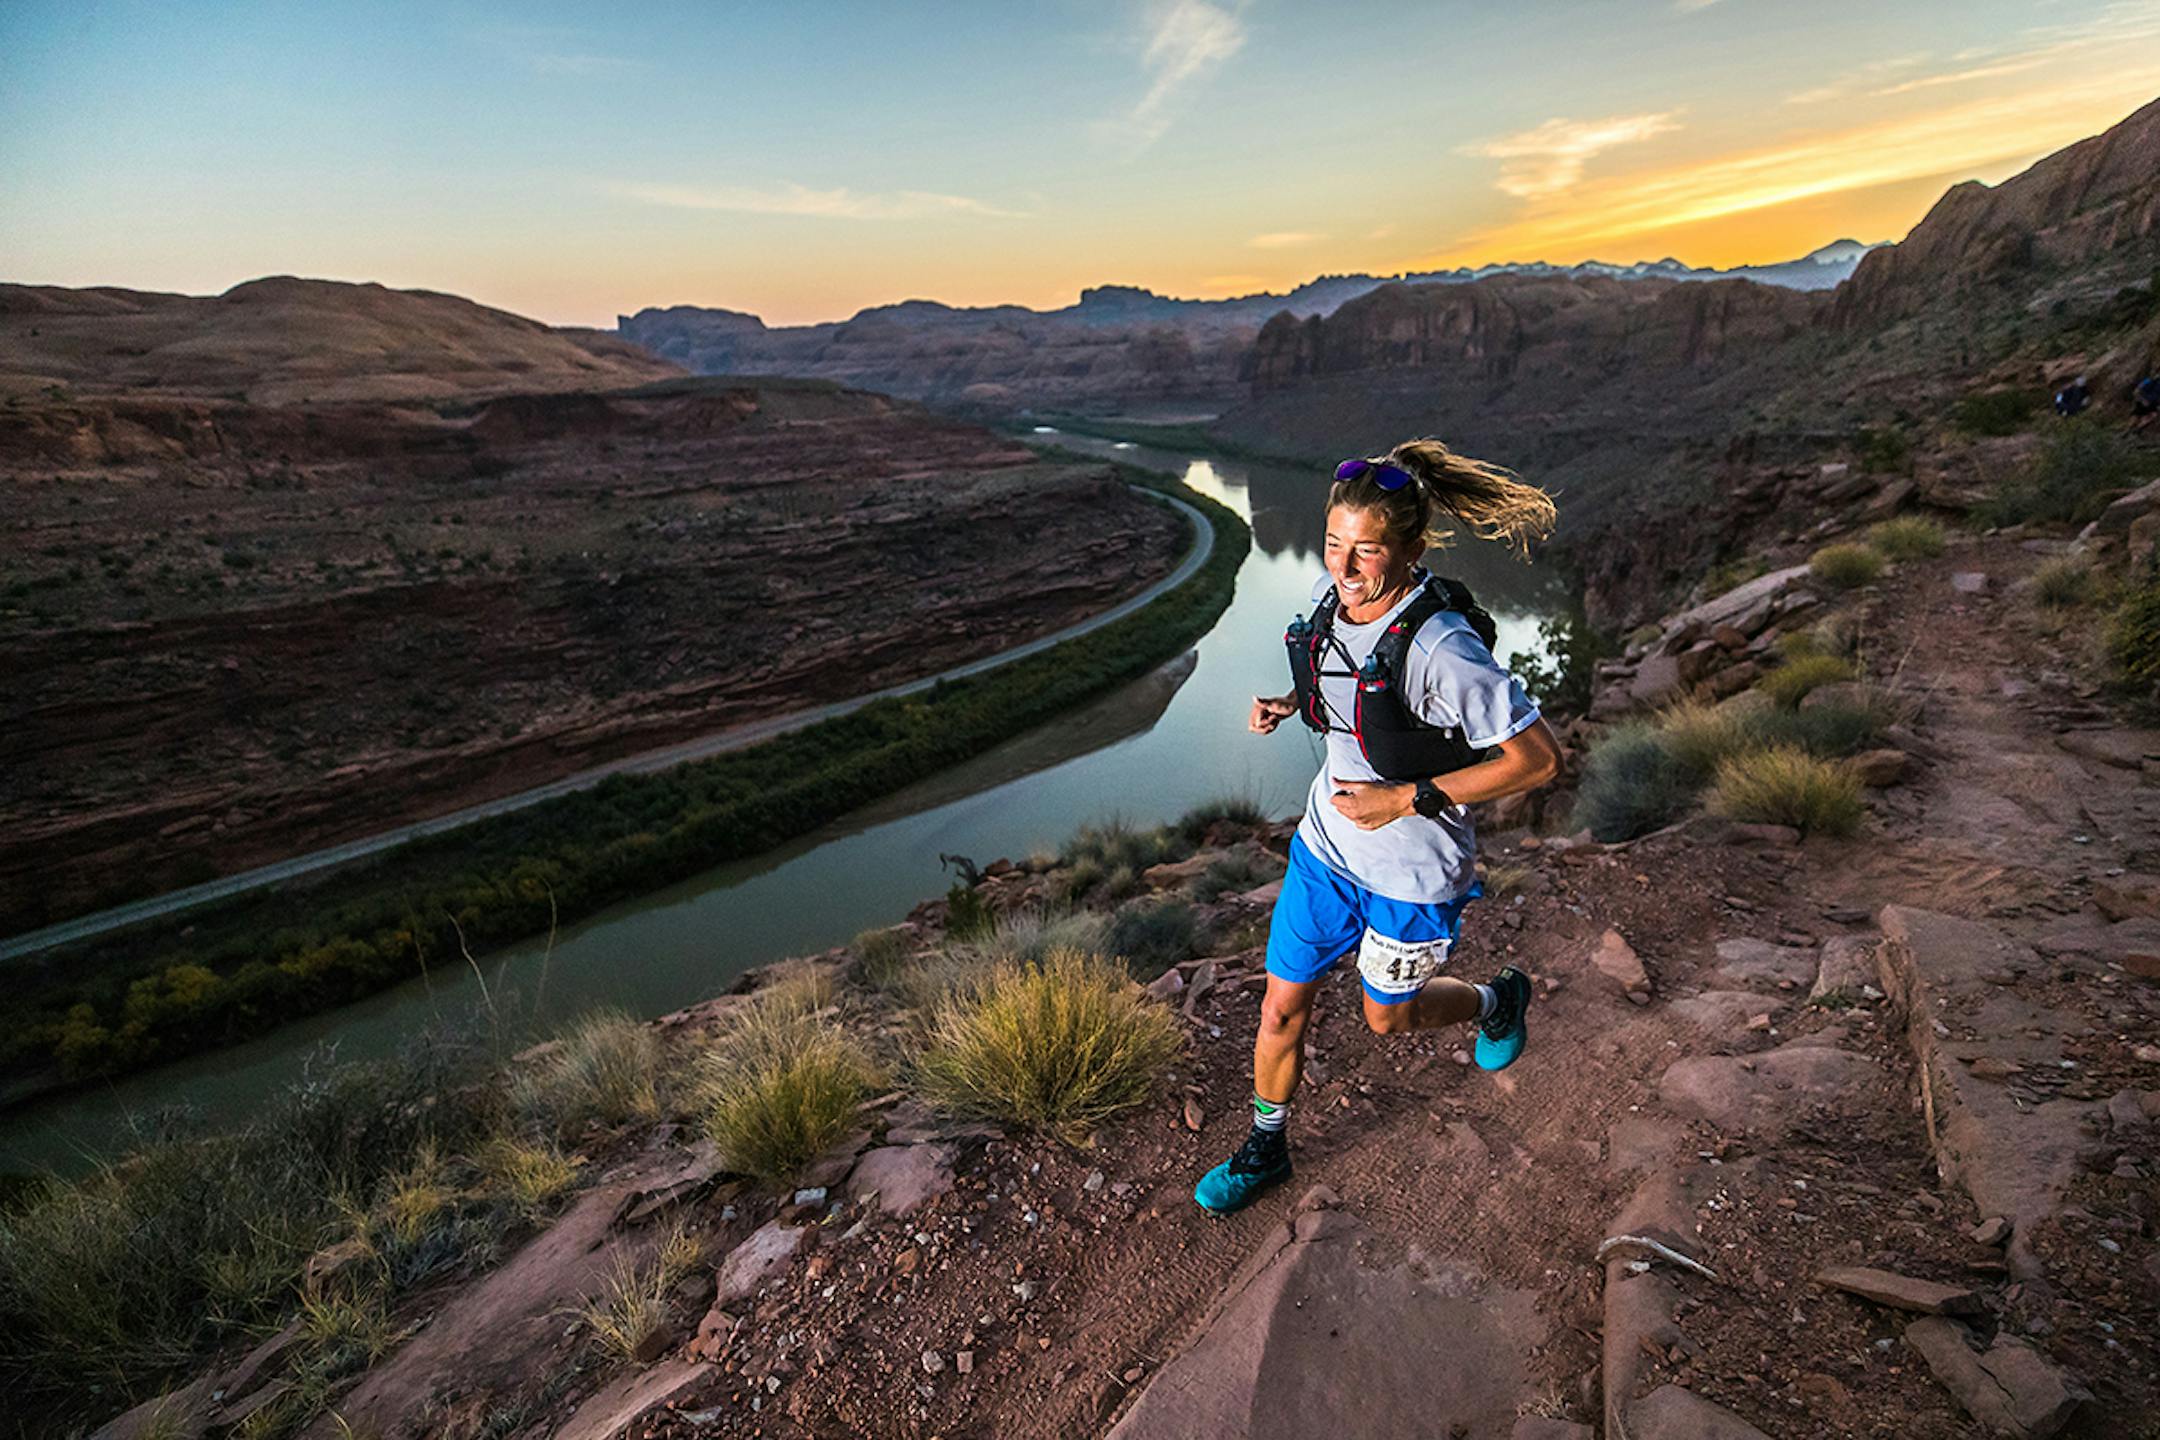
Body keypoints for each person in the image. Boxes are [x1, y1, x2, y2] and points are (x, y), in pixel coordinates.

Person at [1194, 439, 1565, 1215]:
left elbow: (1536, 760)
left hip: (1412, 872)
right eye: (1334, 543)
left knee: (1386, 1019)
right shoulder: (1342, 603)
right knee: (1278, 1007)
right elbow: (1357, 691)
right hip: (1327, 849)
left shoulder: (1442, 648)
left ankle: (1495, 1001)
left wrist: (1405, 800)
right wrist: (1293, 704)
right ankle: (1267, 1146)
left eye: (1366, 551)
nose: (1343, 565)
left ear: (1410, 550)